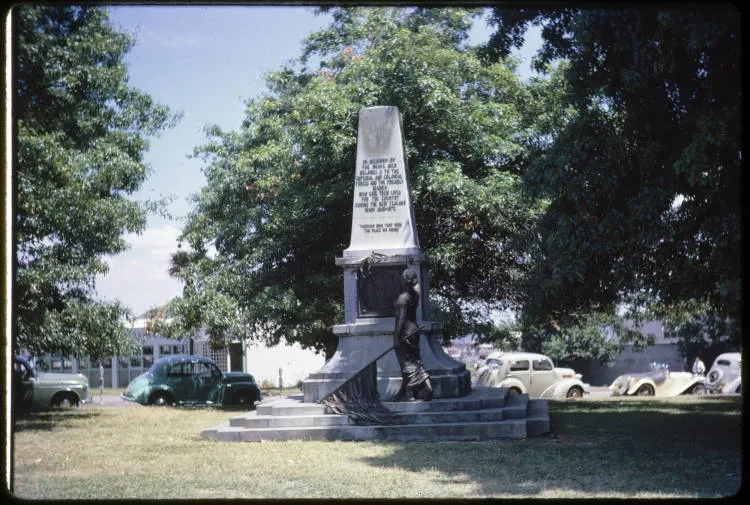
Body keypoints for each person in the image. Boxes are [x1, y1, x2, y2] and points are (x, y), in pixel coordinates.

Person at [393, 268, 433, 401]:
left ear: (404, 281)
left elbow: (401, 319)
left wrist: (396, 337)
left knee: (406, 363)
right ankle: (413, 390)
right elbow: (418, 288)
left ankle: (410, 392)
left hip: (405, 332)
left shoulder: (402, 298)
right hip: (414, 330)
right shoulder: (415, 294)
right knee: (413, 360)